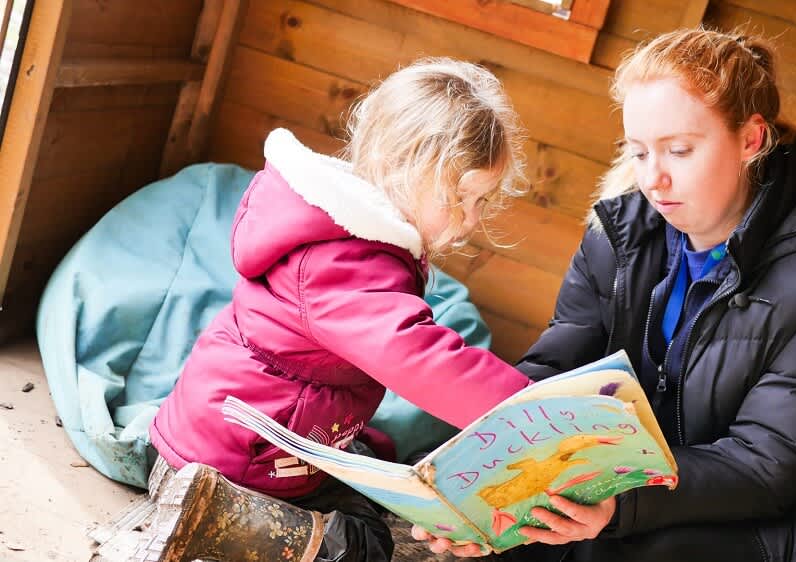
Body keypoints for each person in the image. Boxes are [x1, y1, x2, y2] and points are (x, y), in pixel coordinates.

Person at [414, 28, 796, 561]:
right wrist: (480, 484)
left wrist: (618, 507)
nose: (653, 179)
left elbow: (770, 464)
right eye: (638, 152)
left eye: (679, 150)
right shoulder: (621, 235)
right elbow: (557, 368)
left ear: (750, 139)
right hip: (663, 486)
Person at [138, 58, 534, 562]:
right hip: (227, 468)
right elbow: (419, 356)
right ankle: (215, 523)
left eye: (481, 201)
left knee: (377, 465)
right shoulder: (344, 260)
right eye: (459, 196)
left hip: (227, 439)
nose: (471, 219)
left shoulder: (349, 235)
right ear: (402, 167)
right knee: (367, 543)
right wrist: (532, 413)